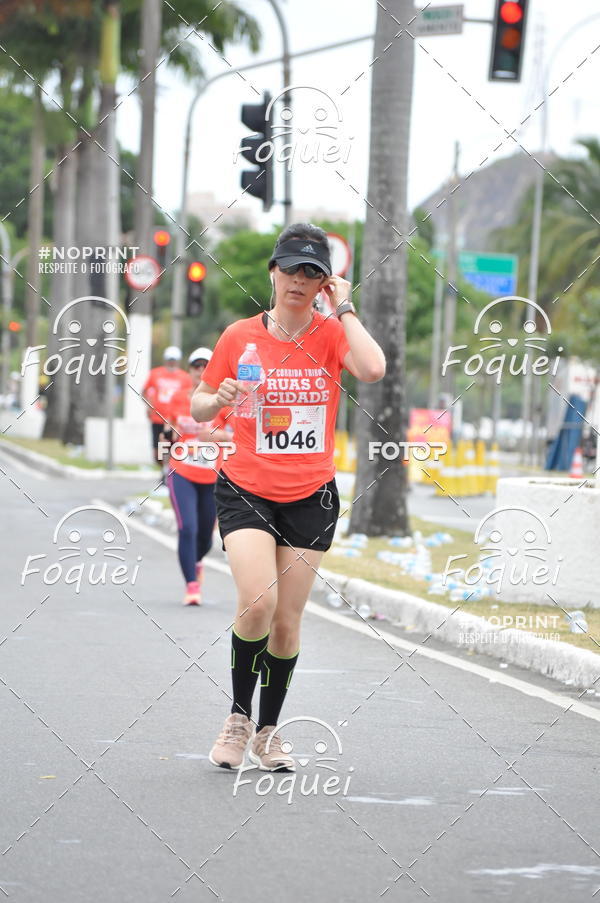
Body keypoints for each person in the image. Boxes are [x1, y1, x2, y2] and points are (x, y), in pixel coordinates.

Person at [191, 223, 385, 771]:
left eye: (313, 273)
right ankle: (237, 719)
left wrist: (345, 310)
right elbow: (200, 405)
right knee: (258, 603)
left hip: (311, 496)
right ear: (272, 272)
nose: (299, 280)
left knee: (287, 622)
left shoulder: (331, 335)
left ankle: (269, 731)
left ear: (324, 283)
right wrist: (219, 395)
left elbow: (373, 369)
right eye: (291, 269)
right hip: (246, 487)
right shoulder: (238, 337)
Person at [162, 348, 232, 606]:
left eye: (206, 365)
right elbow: (168, 428)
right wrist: (166, 437)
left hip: (213, 476)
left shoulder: (223, 400)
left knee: (204, 535)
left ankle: (196, 561)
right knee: (187, 528)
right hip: (182, 472)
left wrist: (218, 437)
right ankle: (191, 585)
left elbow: (238, 436)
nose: (201, 371)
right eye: (196, 366)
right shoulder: (178, 398)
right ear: (189, 370)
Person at [142, 346, 192, 465]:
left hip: (174, 420)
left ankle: (168, 473)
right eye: (169, 359)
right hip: (158, 418)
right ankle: (164, 469)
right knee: (157, 450)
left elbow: (189, 395)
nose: (171, 362)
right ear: (165, 360)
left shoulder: (185, 377)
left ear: (178, 361)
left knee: (172, 447)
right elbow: (144, 391)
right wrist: (149, 406)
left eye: (174, 360)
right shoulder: (155, 373)